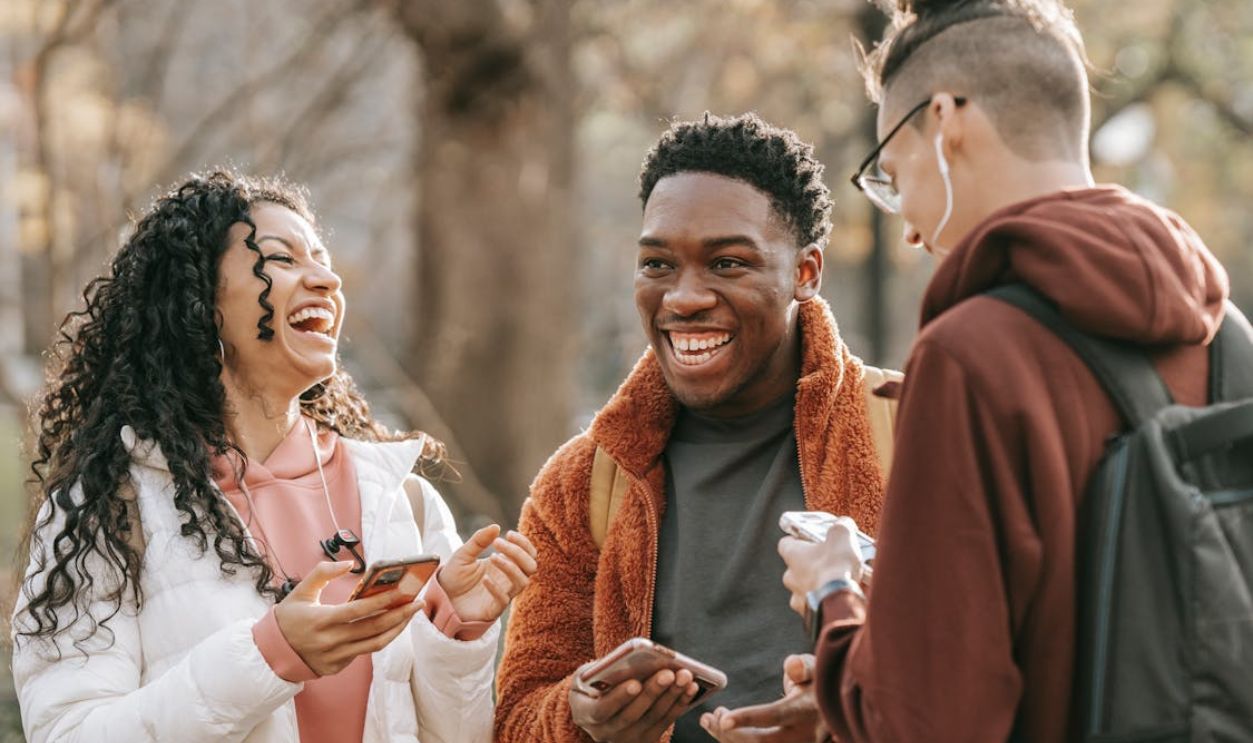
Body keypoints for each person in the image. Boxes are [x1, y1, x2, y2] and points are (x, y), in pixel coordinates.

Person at [759, 1, 1250, 741]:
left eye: (892, 174)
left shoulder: (969, 358)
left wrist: (833, 593)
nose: (912, 226)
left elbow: (923, 723)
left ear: (947, 120)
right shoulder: (1228, 337)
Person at [11, 170, 538, 743]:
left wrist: (457, 631)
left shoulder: (401, 497)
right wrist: (270, 655)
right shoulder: (109, 509)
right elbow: (68, 733)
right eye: (282, 260)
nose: (328, 279)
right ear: (199, 304)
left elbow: (454, 737)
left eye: (322, 258)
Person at [495, 113, 899, 743]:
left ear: (806, 272)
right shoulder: (583, 484)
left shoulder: (915, 431)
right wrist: (578, 719)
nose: (683, 298)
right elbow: (518, 713)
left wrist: (855, 709)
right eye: (657, 264)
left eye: (728, 263)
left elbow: (1006, 668)